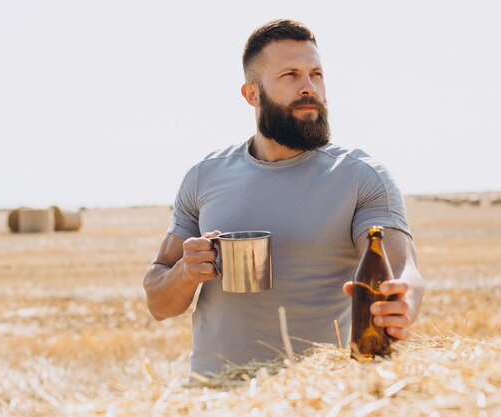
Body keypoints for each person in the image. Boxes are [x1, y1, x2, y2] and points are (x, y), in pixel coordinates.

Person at [143, 19, 424, 374]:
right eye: (290, 75)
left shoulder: (361, 176)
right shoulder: (205, 176)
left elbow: (403, 270)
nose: (309, 87)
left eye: (316, 74)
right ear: (252, 94)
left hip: (315, 395)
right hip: (214, 396)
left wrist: (404, 301)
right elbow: (158, 303)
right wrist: (185, 272)